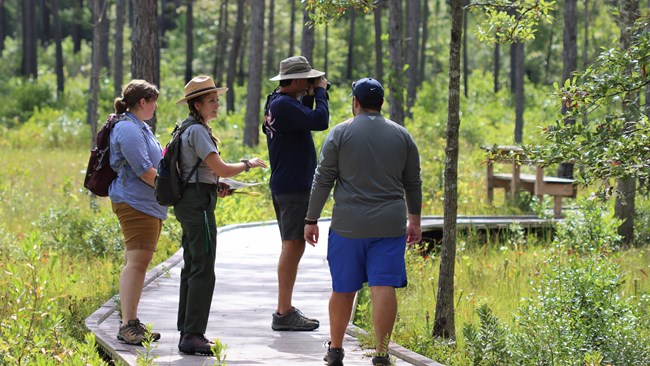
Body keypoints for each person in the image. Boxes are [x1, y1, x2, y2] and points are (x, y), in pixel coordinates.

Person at [304, 78, 423, 366]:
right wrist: (415, 221)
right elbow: (413, 182)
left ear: (355, 102)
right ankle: (382, 354)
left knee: (344, 287)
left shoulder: (340, 133)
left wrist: (311, 219)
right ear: (381, 103)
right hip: (390, 225)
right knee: (383, 285)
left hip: (348, 226)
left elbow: (322, 180)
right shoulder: (402, 135)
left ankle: (335, 349)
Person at [174, 75, 267, 355]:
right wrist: (247, 164)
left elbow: (204, 172)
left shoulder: (186, 128)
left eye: (217, 99)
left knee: (192, 265)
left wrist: (216, 185)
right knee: (203, 267)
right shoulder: (198, 132)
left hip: (192, 200)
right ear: (197, 104)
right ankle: (192, 334)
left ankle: (187, 330)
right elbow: (223, 168)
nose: (217, 105)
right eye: (211, 100)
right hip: (198, 205)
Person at [263, 56, 329, 331]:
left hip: (286, 183)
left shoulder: (276, 102)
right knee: (293, 245)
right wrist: (322, 92)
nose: (311, 82)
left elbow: (303, 121)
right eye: (308, 78)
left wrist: (310, 95)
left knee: (293, 244)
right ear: (295, 80)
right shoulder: (284, 105)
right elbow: (320, 120)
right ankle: (283, 312)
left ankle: (285, 308)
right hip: (292, 186)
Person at [109, 79, 166, 345]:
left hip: (147, 203)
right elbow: (144, 170)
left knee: (139, 262)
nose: (155, 105)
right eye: (153, 100)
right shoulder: (128, 129)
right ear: (142, 102)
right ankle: (127, 325)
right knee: (137, 262)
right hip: (135, 202)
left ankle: (131, 321)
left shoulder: (141, 127)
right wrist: (171, 191)